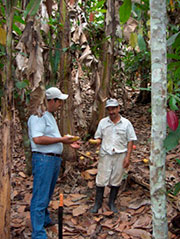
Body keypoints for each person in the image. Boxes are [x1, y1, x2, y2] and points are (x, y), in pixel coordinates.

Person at [28, 87, 80, 239]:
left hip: (52, 159)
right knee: (40, 195)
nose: (60, 104)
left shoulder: (49, 116)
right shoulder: (38, 116)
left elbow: (51, 137)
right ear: (51, 100)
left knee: (48, 193)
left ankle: (44, 220)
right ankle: (38, 233)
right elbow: (37, 139)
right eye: (59, 101)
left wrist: (67, 142)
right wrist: (61, 140)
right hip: (44, 159)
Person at [90, 98, 137, 213]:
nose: (111, 112)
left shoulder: (126, 124)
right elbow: (98, 137)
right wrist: (95, 142)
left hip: (120, 154)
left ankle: (111, 203)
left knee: (116, 179)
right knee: (101, 179)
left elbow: (130, 140)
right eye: (109, 109)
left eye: (114, 109)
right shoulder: (103, 122)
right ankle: (98, 203)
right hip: (106, 154)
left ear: (118, 108)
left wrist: (128, 157)